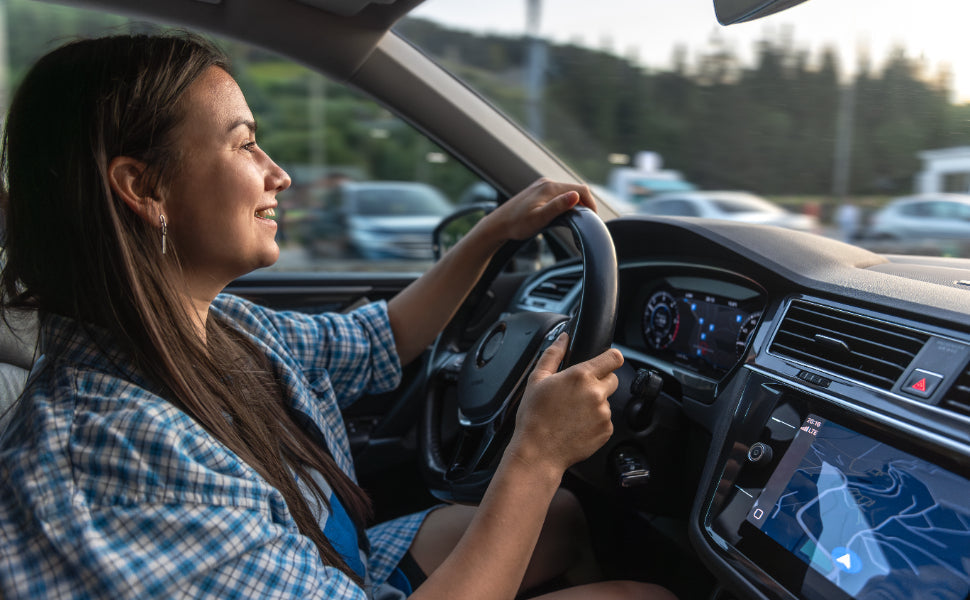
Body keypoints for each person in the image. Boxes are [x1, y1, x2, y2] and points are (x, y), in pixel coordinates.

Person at [0, 34, 674, 600]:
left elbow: (384, 337)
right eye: (243, 145)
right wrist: (537, 452)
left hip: (334, 565)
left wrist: (494, 231)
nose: (278, 174)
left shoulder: (222, 328)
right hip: (332, 573)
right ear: (144, 188)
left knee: (562, 518)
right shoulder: (115, 454)